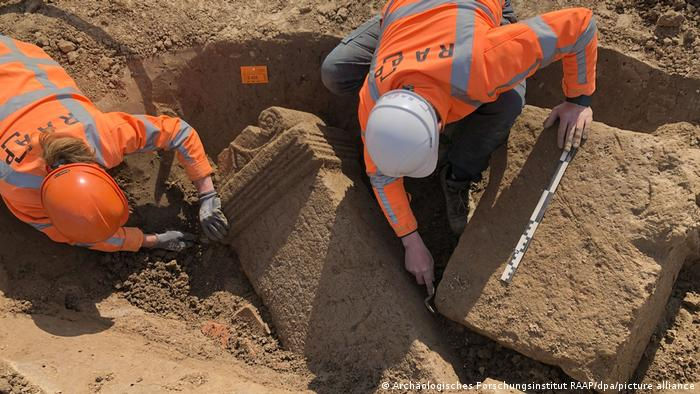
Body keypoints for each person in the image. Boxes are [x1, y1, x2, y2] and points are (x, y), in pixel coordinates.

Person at [321, 0, 597, 289]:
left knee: (508, 103)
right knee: (335, 71)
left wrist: (577, 100)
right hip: (407, 12)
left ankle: (459, 177)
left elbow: (581, 25)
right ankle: (394, 30)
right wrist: (411, 241)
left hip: (474, 17)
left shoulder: (485, 62)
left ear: (440, 128)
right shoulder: (374, 93)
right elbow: (380, 175)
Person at [0, 35, 229, 252]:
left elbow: (178, 132)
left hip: (14, 57)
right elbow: (79, 236)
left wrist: (207, 195)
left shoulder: (103, 135)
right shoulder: (16, 188)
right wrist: (149, 241)